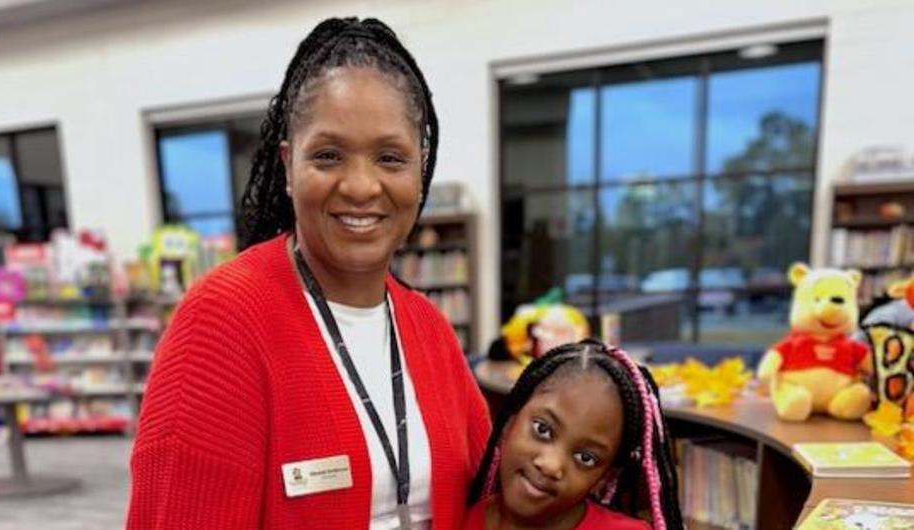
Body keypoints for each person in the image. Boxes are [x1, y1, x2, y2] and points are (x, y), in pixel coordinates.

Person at [127, 17, 490, 529]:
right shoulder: (222, 323)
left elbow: (492, 494)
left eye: (390, 158)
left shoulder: (429, 328)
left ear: (420, 168)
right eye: (328, 155)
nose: (362, 186)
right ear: (288, 166)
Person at [465, 340, 684, 530]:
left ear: (604, 478)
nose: (551, 465)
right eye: (543, 429)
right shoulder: (462, 517)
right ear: (509, 423)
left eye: (585, 458)